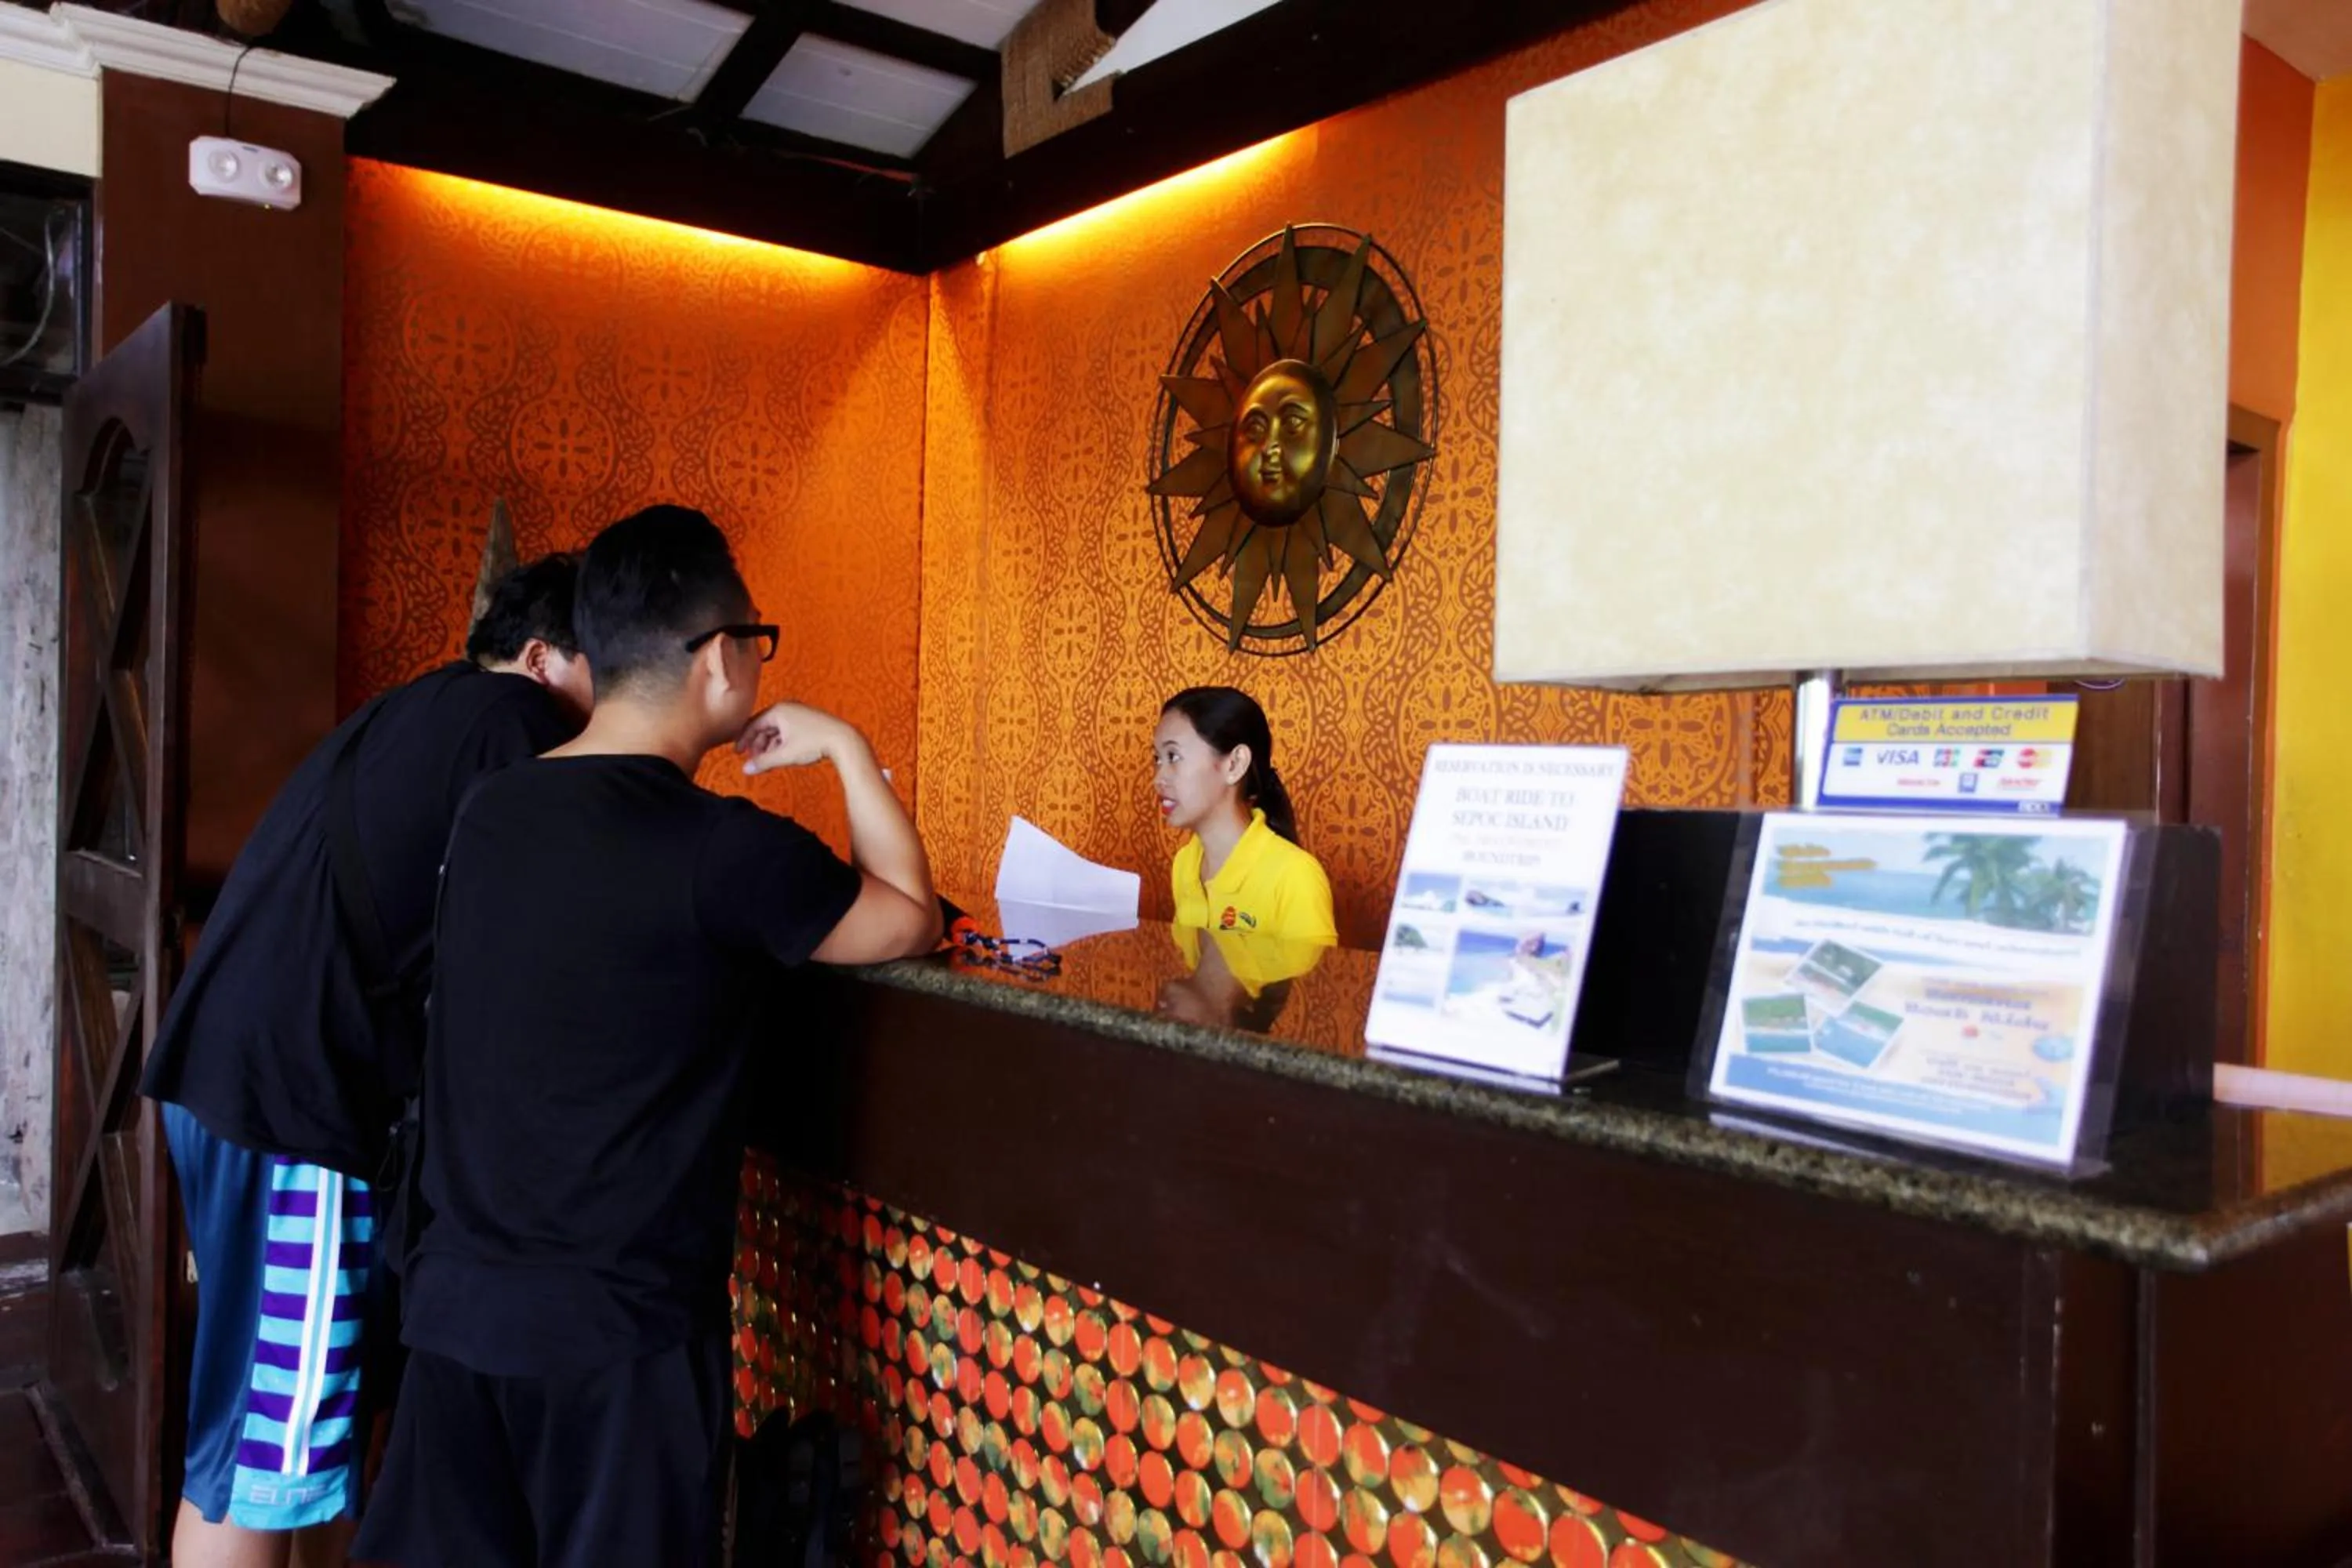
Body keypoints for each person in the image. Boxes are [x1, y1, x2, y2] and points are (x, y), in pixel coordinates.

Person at [354, 504, 939, 1568]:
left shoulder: (491, 812)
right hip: (617, 1343)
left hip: (456, 1310)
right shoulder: (726, 849)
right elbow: (910, 916)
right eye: (754, 643)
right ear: (721, 660)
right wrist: (847, 751)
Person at [140, 555, 593, 1568]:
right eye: (608, 669)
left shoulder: (422, 714)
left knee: (287, 1448)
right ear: (538, 658)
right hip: (291, 1110)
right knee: (259, 1467)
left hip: (243, 1086)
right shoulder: (512, 726)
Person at [1153, 686, 1337, 944]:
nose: (1158, 778)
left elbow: (1312, 985)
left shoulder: (1296, 877)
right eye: (1157, 759)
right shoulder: (1185, 864)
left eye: (1174, 756)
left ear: (1235, 764)